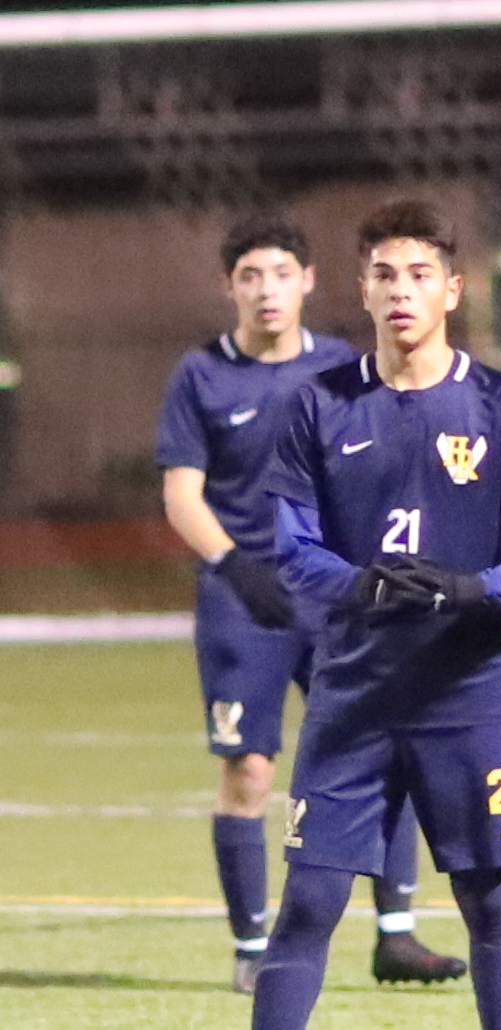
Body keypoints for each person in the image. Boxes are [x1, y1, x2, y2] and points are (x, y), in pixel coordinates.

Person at [253, 199, 501, 1030]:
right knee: (308, 904)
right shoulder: (319, 405)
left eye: (420, 275)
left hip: (467, 699)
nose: (402, 290)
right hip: (352, 698)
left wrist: (471, 589)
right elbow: (292, 547)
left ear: (452, 291)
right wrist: (360, 586)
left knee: (490, 900)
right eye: (385, 275)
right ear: (362, 291)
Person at [154, 213, 467, 994]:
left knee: (385, 752)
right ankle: (251, 948)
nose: (267, 290)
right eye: (250, 276)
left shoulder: (341, 369)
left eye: (282, 274)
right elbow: (182, 494)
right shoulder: (201, 375)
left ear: (309, 282)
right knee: (249, 772)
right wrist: (235, 567)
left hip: (336, 596)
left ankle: (396, 935)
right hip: (244, 603)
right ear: (229, 286)